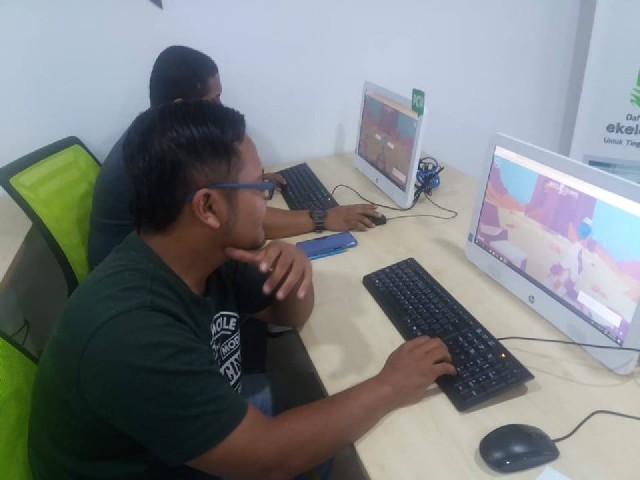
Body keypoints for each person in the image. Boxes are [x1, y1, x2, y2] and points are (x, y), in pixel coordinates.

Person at [29, 100, 455, 480]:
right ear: (208, 207)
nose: (267, 199)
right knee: (346, 450)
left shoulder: (202, 253)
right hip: (159, 468)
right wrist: (390, 386)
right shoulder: (132, 331)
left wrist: (297, 271)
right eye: (259, 187)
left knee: (330, 440)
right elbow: (268, 460)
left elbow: (287, 317)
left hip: (182, 442)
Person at [88, 45, 381, 271]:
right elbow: (233, 219)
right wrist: (324, 217)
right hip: (136, 283)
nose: (220, 108)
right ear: (180, 107)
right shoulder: (154, 160)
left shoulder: (152, 137)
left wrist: (244, 180)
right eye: (212, 101)